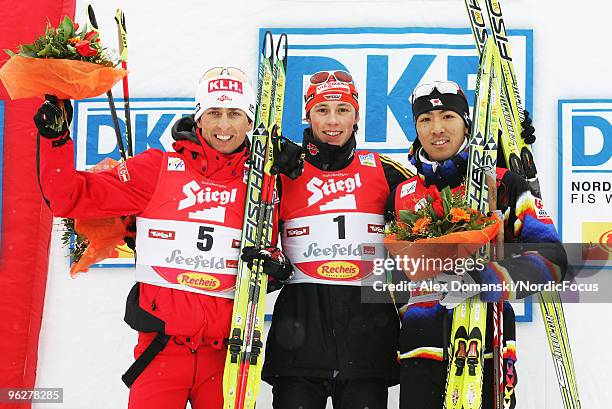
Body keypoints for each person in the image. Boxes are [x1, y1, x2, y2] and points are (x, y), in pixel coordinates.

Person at [34, 67, 299, 409]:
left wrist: (274, 269)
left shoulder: (264, 186)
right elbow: (68, 197)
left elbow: (277, 257)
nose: (223, 126)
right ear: (198, 119)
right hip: (161, 352)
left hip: (226, 358)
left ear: (249, 122)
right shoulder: (156, 169)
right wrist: (55, 140)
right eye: (213, 113)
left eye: (234, 114)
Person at [387, 80, 568, 409]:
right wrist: (415, 310)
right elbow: (391, 276)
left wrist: (484, 279)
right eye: (425, 120)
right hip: (421, 350)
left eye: (447, 116)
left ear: (466, 122)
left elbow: (552, 261)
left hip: (487, 342)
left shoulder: (503, 183)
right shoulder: (402, 194)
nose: (437, 129)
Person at [262, 70, 413, 409]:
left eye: (343, 109)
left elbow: (443, 199)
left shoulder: (385, 172)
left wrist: (504, 157)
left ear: (356, 115)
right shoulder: (284, 173)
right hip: (298, 346)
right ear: (308, 115)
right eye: (322, 109)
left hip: (367, 348)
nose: (333, 120)